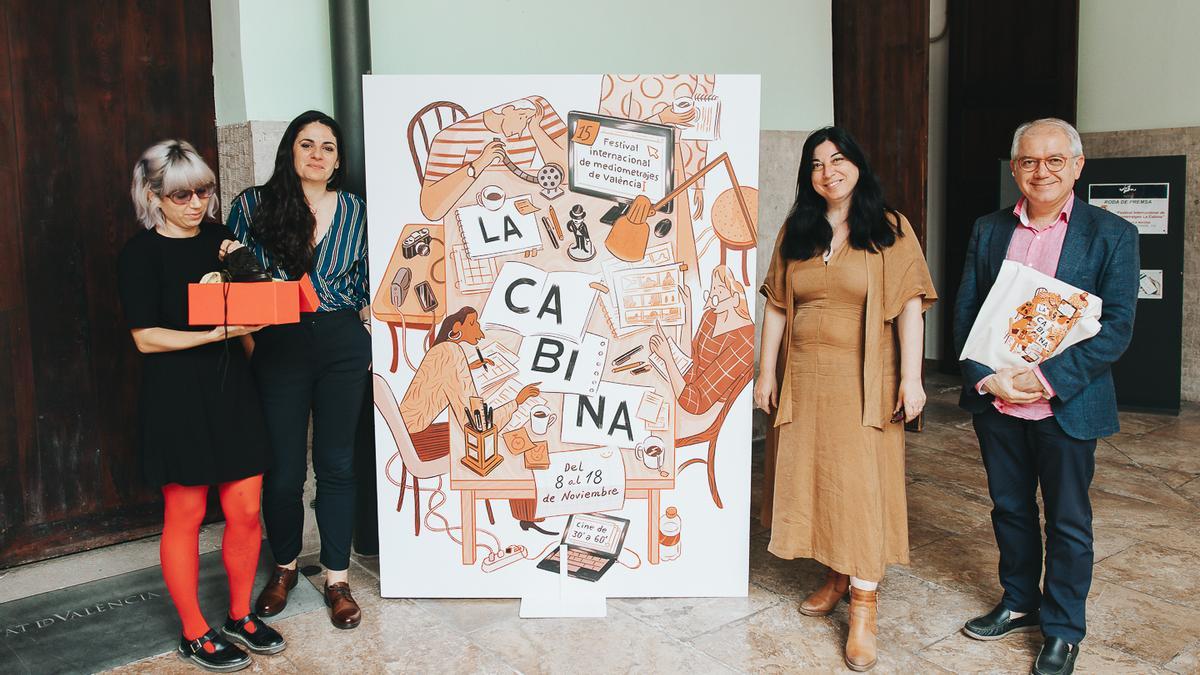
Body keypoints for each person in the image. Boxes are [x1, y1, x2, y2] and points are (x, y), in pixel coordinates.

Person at [954, 118, 1138, 675]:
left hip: (1066, 403)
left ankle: (1062, 629)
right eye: (1030, 161)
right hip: (999, 401)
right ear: (1014, 169)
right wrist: (987, 378)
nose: (1042, 171)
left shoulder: (1112, 234)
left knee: (1067, 521)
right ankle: (1019, 602)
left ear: (1077, 166)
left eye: (1055, 160)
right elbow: (968, 313)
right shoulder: (988, 229)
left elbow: (1118, 327)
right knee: (1009, 509)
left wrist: (1046, 378)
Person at [754, 127, 936, 671]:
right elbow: (778, 306)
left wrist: (912, 378)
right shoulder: (799, 228)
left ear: (858, 165)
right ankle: (835, 574)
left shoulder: (890, 228)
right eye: (815, 164)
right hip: (805, 378)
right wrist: (766, 374)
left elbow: (909, 306)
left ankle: (863, 607)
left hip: (865, 379)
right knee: (818, 477)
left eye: (838, 160)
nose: (827, 171)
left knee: (860, 486)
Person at [118, 140, 285, 672]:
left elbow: (250, 303)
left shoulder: (221, 239)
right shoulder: (139, 254)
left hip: (231, 387)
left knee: (245, 510)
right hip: (176, 396)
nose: (197, 203)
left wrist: (253, 318)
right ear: (153, 196)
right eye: (182, 194)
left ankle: (239, 615)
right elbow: (146, 339)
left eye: (205, 191)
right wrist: (217, 333)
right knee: (186, 514)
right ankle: (195, 630)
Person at [226, 110, 370, 630]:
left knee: (336, 464)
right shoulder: (253, 206)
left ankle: (336, 577)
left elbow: (377, 281)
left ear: (338, 159)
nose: (316, 154)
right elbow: (231, 286)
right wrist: (253, 348)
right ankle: (284, 567)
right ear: (290, 150)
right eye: (306, 144)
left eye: (327, 147)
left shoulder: (358, 210)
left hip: (341, 344)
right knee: (283, 471)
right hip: (278, 345)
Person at [399, 307, 545, 533]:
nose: (480, 332)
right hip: (419, 441)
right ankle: (526, 515)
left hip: (411, 429)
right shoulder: (451, 354)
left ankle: (525, 514)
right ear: (457, 328)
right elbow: (479, 424)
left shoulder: (446, 349)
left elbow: (445, 380)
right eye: (473, 324)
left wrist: (467, 367)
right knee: (507, 442)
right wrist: (517, 400)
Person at [418, 96, 567, 221]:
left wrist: (535, 128)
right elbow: (431, 210)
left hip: (518, 208)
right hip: (472, 213)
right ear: (507, 109)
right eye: (522, 118)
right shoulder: (452, 137)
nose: (522, 129)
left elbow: (568, 172)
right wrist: (478, 164)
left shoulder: (537, 108)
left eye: (527, 120)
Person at [650, 265, 754, 414]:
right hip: (691, 385)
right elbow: (691, 358)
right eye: (712, 290)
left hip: (711, 408)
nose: (712, 296)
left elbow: (696, 403)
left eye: (719, 290)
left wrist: (668, 358)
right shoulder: (711, 316)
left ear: (735, 299)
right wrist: (687, 312)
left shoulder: (745, 341)